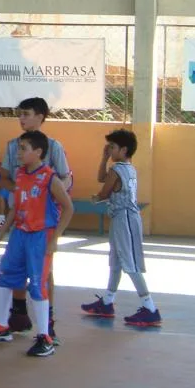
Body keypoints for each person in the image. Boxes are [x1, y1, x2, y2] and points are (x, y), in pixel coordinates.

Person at [0, 130, 74, 358]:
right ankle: (0, 326)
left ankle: (45, 337)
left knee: (37, 285)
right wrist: (1, 233)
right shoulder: (20, 176)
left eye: (24, 148)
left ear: (38, 152)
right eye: (19, 148)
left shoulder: (49, 178)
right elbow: (15, 208)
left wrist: (55, 239)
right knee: (4, 275)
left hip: (40, 236)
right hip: (20, 234)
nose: (19, 152)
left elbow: (68, 208)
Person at [0, 97, 71, 339]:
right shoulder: (11, 146)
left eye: (26, 114)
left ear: (40, 116)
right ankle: (18, 315)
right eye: (19, 114)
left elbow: (65, 177)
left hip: (43, 221)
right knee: (15, 267)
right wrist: (20, 190)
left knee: (43, 271)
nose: (21, 118)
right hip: (20, 217)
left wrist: (47, 191)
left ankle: (47, 321)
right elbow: (5, 177)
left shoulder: (54, 146)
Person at [80, 129, 161, 327]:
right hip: (122, 218)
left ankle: (150, 308)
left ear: (124, 149)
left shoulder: (117, 170)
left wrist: (97, 198)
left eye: (113, 147)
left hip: (125, 218)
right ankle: (107, 302)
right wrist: (104, 158)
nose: (109, 149)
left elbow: (104, 190)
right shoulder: (128, 168)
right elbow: (103, 178)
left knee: (130, 263)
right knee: (115, 261)